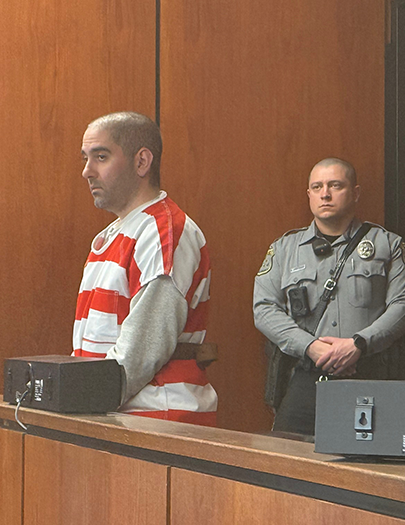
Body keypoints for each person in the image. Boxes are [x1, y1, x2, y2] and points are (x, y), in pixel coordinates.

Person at [73, 112, 217, 425]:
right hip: (118, 416)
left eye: (101, 157)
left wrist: (75, 399)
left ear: (142, 162)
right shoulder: (120, 232)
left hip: (157, 419)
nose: (87, 171)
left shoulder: (164, 231)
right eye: (85, 158)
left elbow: (140, 353)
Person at [254, 158, 405, 436]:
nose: (325, 194)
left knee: (368, 462)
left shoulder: (387, 245)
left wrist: (358, 344)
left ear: (355, 193)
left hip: (368, 378)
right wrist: (311, 347)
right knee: (285, 458)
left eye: (335, 185)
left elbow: (401, 305)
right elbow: (264, 308)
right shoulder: (285, 249)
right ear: (309, 194)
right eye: (317, 187)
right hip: (306, 379)